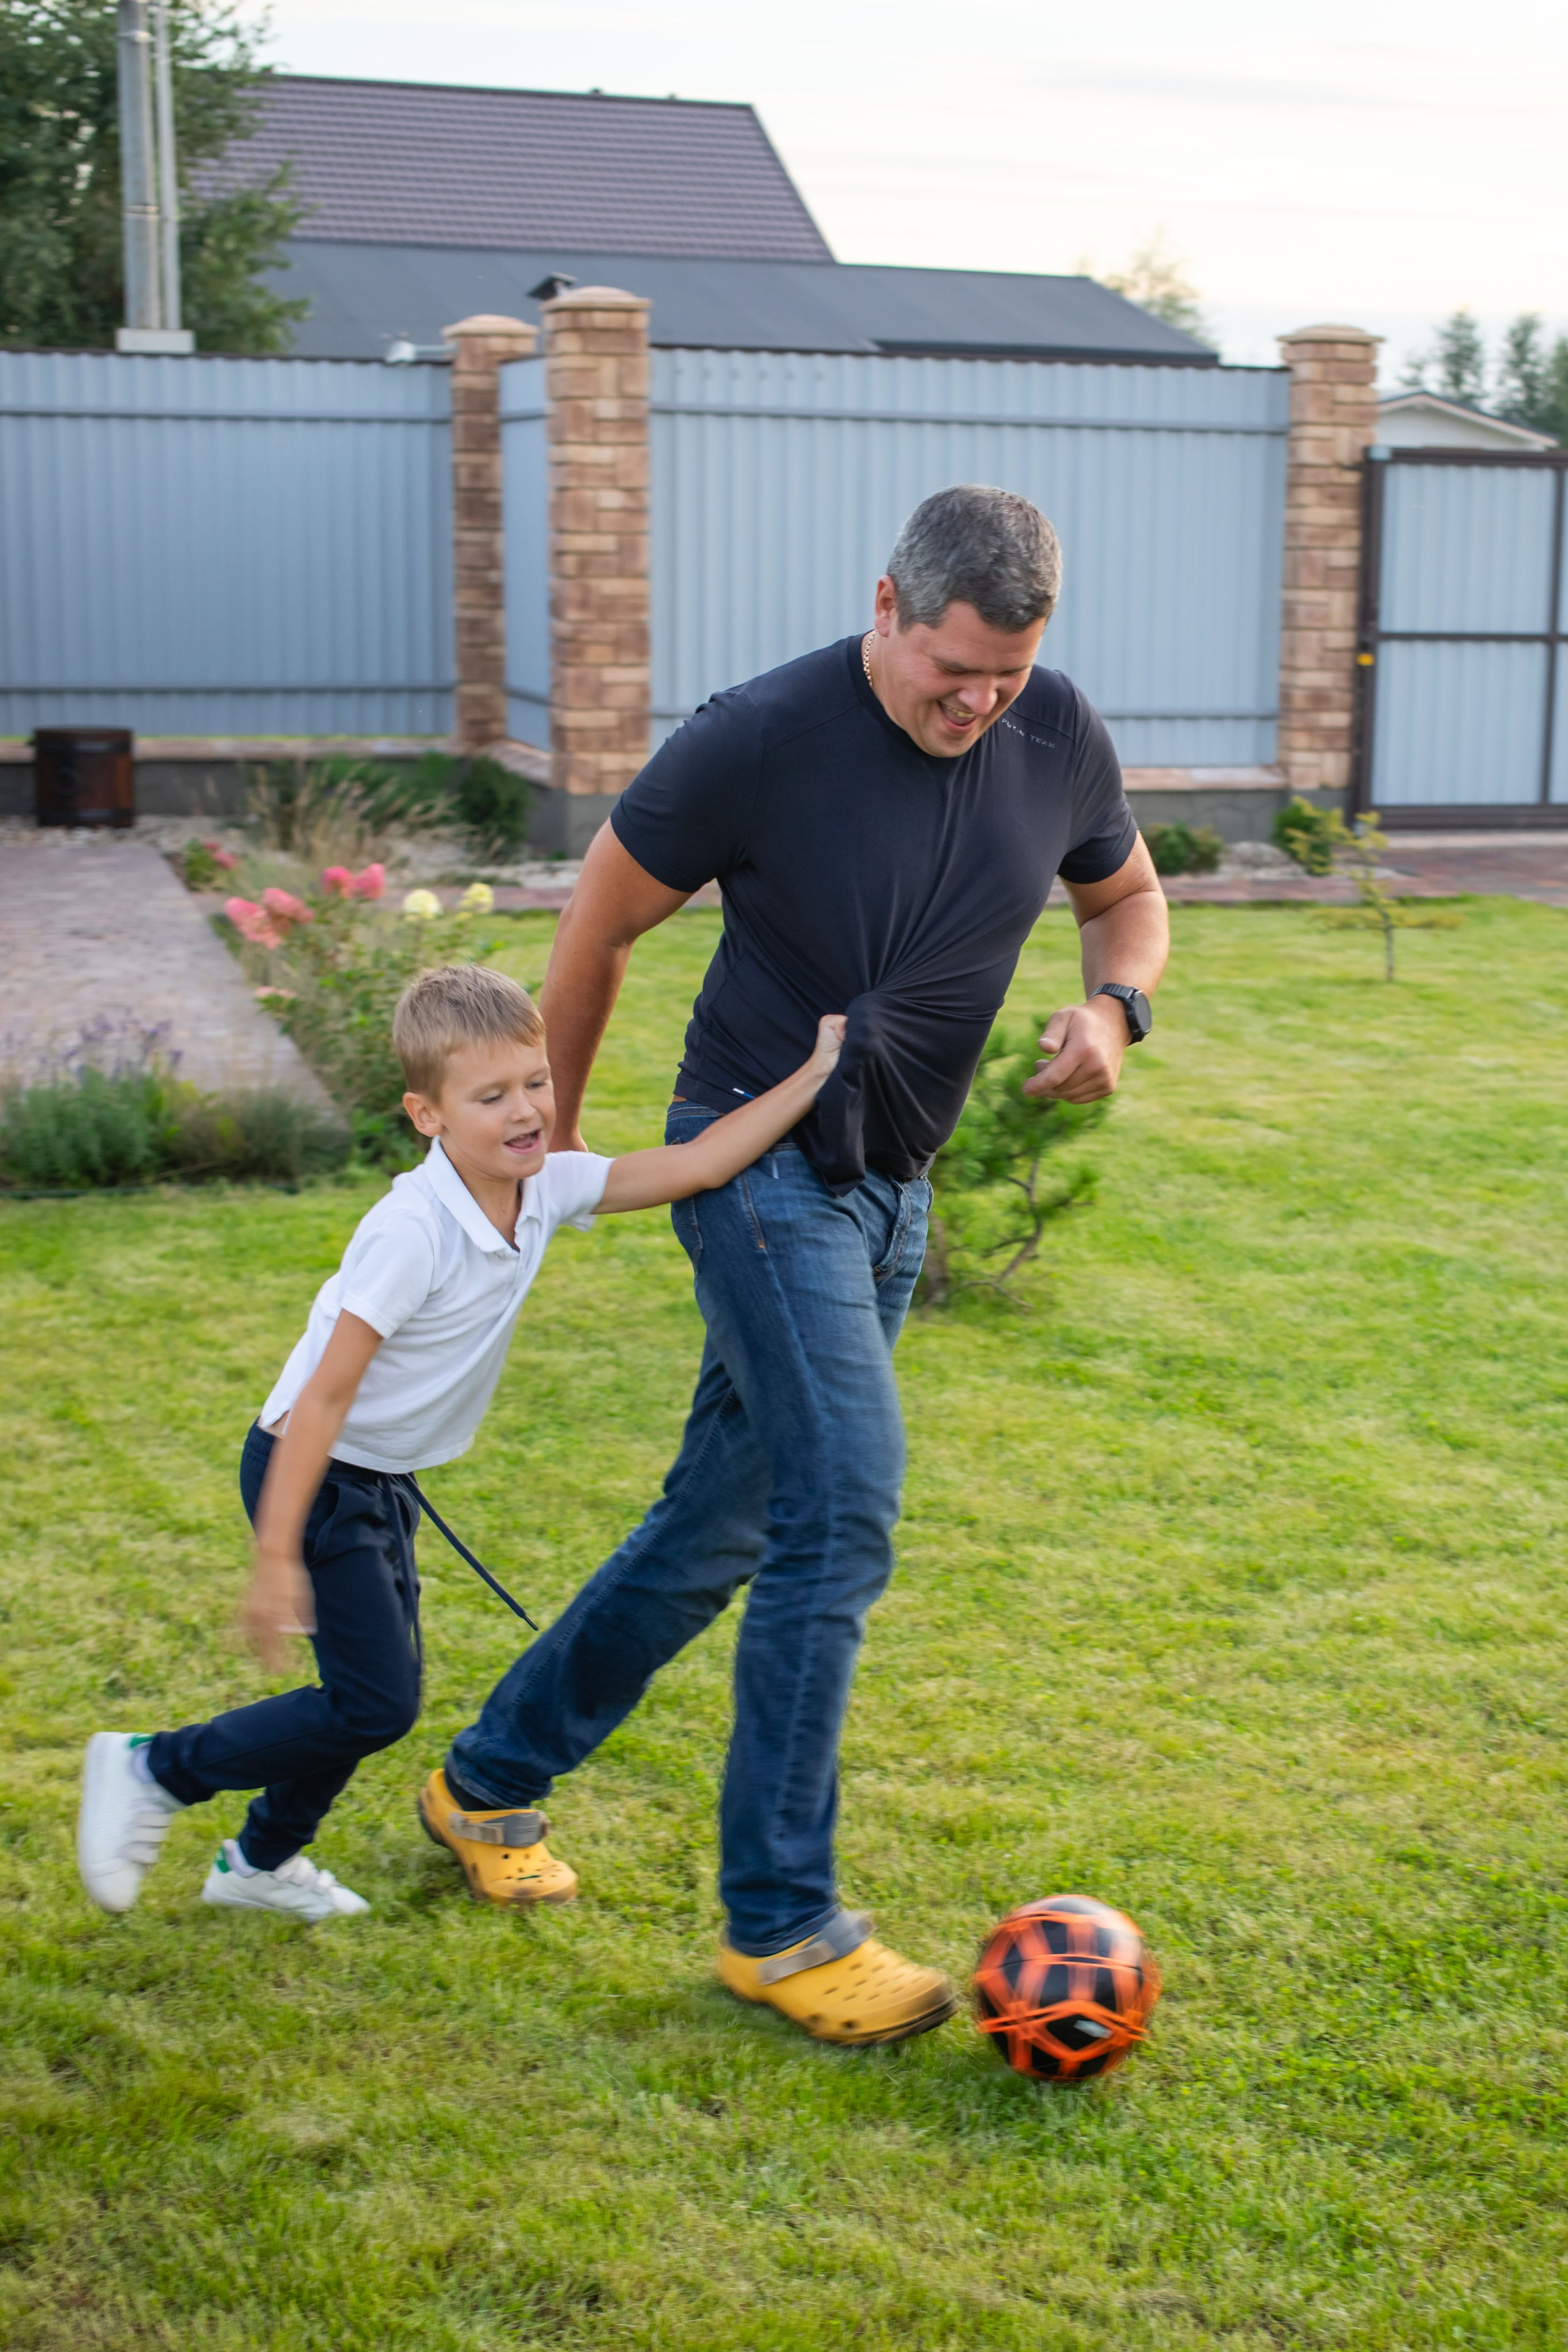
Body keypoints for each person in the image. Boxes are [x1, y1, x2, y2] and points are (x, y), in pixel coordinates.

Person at [424, 484, 1170, 2046]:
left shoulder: (1060, 736)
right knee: (841, 1505)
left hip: (891, 1191)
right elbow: (597, 927)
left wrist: (1113, 1009)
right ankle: (779, 1923)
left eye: (1007, 680)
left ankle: (484, 1781)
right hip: (754, 1168)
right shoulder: (755, 737)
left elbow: (1125, 897)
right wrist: (523, 1165)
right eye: (949, 670)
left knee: (724, 1521)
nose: (975, 706)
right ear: (885, 606)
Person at [76, 965, 845, 1924]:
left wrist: (814, 1075)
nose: (526, 1111)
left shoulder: (542, 1188)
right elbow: (321, 1401)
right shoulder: (413, 1231)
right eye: (492, 1097)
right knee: (376, 1703)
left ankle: (259, 1862)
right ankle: (152, 1769)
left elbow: (693, 1165)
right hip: (315, 1474)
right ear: (426, 1115)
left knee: (360, 1692)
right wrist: (275, 1555)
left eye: (536, 1082)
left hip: (378, 1480)